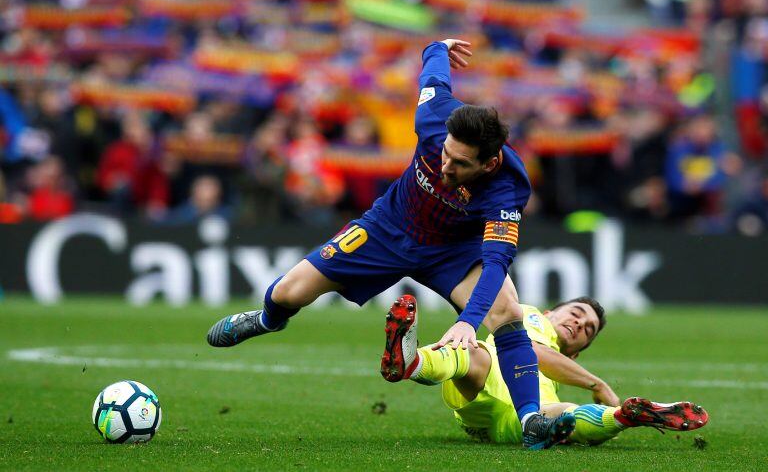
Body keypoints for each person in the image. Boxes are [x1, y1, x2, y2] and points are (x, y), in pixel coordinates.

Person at [207, 39, 572, 448]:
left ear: (488, 163)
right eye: (445, 155)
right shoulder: (434, 116)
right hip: (388, 227)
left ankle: (530, 421)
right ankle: (267, 320)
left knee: (506, 309)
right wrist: (438, 46)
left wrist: (468, 321)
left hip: (452, 251)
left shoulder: (508, 186)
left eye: (460, 164)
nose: (445, 166)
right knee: (287, 292)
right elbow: (433, 71)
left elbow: (496, 262)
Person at [381, 294, 709, 446]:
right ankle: (618, 419)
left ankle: (623, 417)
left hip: (510, 418)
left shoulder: (559, 368)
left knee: (564, 413)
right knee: (472, 353)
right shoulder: (530, 316)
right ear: (550, 312)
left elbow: (543, 357)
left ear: (576, 353)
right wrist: (598, 384)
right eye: (576, 313)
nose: (580, 322)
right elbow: (533, 353)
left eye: (588, 329)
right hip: (492, 381)